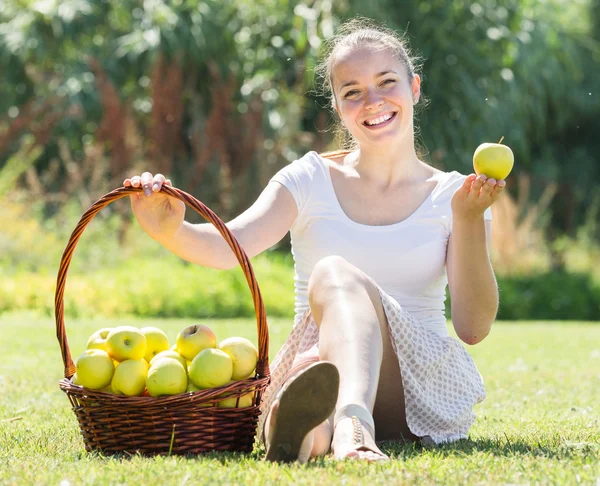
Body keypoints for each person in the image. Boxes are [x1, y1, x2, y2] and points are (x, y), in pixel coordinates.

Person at [123, 17, 506, 463]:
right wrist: (168, 228)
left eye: (387, 83)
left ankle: (352, 423)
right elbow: (232, 247)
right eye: (352, 92)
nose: (373, 101)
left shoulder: (456, 196)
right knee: (311, 381)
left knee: (334, 274)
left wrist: (468, 220)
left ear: (414, 87)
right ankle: (304, 435)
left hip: (413, 387)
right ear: (338, 106)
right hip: (321, 367)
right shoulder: (308, 179)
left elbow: (473, 327)